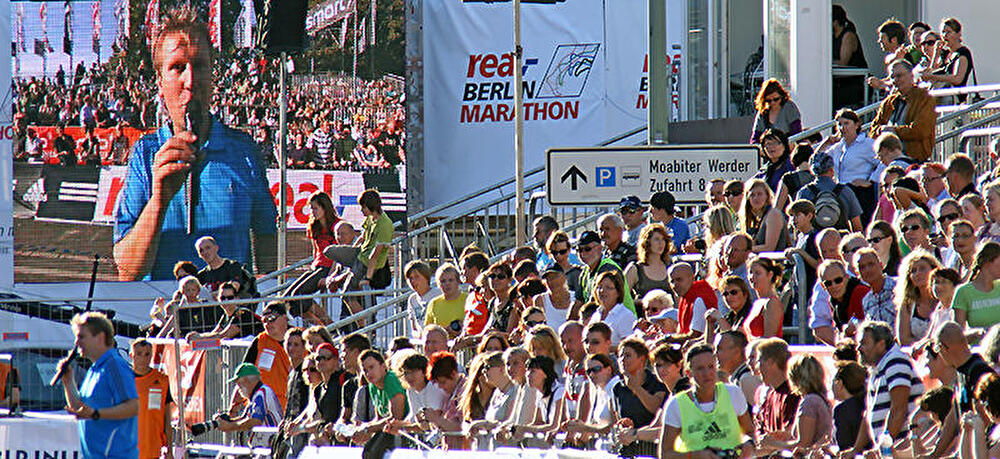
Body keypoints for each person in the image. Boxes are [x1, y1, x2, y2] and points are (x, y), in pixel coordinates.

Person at [114, 9, 277, 281]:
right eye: (177, 67)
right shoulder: (145, 155)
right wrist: (159, 200)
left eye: (199, 66)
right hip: (165, 315)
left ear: (212, 75)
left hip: (229, 315)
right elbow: (128, 272)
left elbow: (266, 239)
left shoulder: (244, 151)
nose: (190, 81)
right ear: (160, 80)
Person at [56, 312, 139, 459]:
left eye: (81, 337)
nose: (76, 342)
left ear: (100, 337)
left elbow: (133, 407)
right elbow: (80, 408)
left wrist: (96, 414)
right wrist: (68, 381)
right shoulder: (95, 369)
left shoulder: (115, 365)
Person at [843, 321, 925, 458]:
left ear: (881, 344)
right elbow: (868, 415)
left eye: (864, 343)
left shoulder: (896, 361)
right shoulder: (876, 370)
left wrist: (883, 447)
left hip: (901, 449)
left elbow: (899, 409)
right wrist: (855, 450)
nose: (858, 349)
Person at [659, 344, 754, 459]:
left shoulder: (733, 393)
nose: (707, 373)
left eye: (710, 367)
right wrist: (696, 455)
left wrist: (748, 444)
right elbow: (665, 454)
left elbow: (749, 432)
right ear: (689, 373)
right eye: (700, 368)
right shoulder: (676, 404)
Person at [323, 189, 394, 316]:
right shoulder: (371, 218)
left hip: (367, 263)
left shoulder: (385, 224)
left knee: (347, 295)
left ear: (370, 206)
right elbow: (362, 237)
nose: (361, 210)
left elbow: (375, 255)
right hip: (360, 255)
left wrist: (367, 278)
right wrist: (351, 252)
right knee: (329, 251)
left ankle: (364, 324)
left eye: (363, 207)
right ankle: (362, 322)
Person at [283, 191, 341, 324]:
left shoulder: (337, 225)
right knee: (288, 297)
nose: (313, 212)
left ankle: (329, 326)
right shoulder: (314, 225)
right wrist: (313, 267)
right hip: (317, 266)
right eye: (311, 208)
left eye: (315, 208)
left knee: (298, 295)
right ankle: (325, 327)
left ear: (325, 208)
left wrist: (331, 275)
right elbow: (316, 249)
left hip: (329, 268)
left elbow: (340, 253)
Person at [818, 108, 881, 227]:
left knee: (861, 225)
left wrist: (871, 180)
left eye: (846, 123)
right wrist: (825, 143)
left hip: (860, 193)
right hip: (841, 192)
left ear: (857, 125)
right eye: (840, 124)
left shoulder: (867, 144)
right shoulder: (837, 147)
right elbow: (816, 162)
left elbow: (883, 162)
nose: (843, 128)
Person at [759, 355, 832, 455]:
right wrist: (787, 436)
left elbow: (803, 446)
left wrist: (773, 444)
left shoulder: (809, 402)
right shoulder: (819, 399)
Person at [869, 59, 938, 162]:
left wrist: (894, 131)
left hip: (914, 160)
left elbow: (920, 131)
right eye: (892, 77)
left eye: (899, 76)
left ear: (911, 75)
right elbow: (873, 129)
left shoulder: (925, 98)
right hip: (887, 160)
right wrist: (881, 130)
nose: (896, 80)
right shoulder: (889, 102)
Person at [612, 337, 667, 457]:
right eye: (620, 356)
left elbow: (655, 407)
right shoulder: (618, 388)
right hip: (629, 448)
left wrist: (636, 388)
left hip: (652, 448)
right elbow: (617, 418)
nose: (622, 360)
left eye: (627, 355)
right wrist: (623, 424)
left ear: (641, 359)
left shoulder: (657, 383)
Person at [239, 302, 292, 410]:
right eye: (264, 320)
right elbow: (243, 373)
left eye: (272, 318)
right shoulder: (259, 341)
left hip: (292, 405)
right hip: (263, 405)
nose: (267, 323)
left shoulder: (301, 338)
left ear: (284, 318)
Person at [216, 363, 283, 447]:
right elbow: (244, 419)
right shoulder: (255, 396)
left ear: (246, 381)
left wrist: (230, 426)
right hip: (264, 449)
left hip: (271, 449)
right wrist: (224, 421)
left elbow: (255, 421)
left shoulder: (261, 393)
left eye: (238, 384)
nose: (238, 389)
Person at [796, 151, 864, 231]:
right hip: (840, 239)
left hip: (813, 240)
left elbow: (798, 225)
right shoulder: (846, 191)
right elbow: (857, 226)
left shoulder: (804, 193)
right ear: (832, 170)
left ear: (813, 172)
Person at [575, 230, 636, 315]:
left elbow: (596, 304)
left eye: (587, 249)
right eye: (579, 250)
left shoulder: (608, 269)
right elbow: (578, 303)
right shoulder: (585, 272)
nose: (583, 253)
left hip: (620, 320)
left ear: (600, 247)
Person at [754, 338, 801, 448]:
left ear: (771, 363)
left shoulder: (793, 396)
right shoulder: (770, 395)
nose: (757, 368)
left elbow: (790, 438)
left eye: (759, 362)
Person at [131, 339, 173, 459]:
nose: (143, 358)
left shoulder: (162, 380)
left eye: (147, 354)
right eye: (139, 354)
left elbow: (167, 418)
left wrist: (169, 449)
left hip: (153, 448)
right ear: (131, 355)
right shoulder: (123, 380)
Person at [921, 18, 975, 103]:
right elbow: (931, 73)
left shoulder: (962, 53)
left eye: (948, 32)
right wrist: (935, 55)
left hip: (954, 100)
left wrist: (933, 77)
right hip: (939, 98)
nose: (945, 35)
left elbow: (957, 78)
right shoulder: (945, 54)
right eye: (943, 32)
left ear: (958, 34)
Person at [185, 282, 261, 341]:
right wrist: (197, 336)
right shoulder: (225, 315)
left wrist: (199, 337)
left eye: (230, 297)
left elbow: (224, 335)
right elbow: (215, 333)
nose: (226, 301)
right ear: (218, 299)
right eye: (223, 298)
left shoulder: (242, 313)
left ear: (236, 298)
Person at [895, 250, 941, 346]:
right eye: (913, 271)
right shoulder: (907, 305)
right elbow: (903, 339)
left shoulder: (945, 298)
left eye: (922, 268)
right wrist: (923, 347)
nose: (918, 273)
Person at [666, 262, 717, 344]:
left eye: (679, 280)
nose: (675, 285)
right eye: (672, 281)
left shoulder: (699, 299)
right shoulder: (686, 296)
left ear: (692, 278)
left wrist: (667, 339)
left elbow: (695, 335)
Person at [952, 241, 1000, 328]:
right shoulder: (963, 292)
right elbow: (958, 333)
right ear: (987, 263)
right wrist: (977, 334)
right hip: (977, 341)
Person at [623, 223, 672, 302]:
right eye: (656, 239)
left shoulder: (670, 266)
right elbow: (622, 298)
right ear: (646, 242)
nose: (661, 243)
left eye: (663, 239)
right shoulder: (635, 269)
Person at [831, 5, 868, 108]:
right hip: (839, 83)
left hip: (854, 84)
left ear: (835, 21)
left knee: (831, 96)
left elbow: (843, 63)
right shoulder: (832, 37)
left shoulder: (848, 36)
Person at [588, 271, 636, 347]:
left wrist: (604, 348)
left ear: (618, 292)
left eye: (609, 288)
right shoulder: (596, 315)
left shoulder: (625, 315)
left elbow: (629, 347)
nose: (602, 291)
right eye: (599, 287)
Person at [741, 178, 790, 252]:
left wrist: (743, 250)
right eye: (752, 195)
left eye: (759, 194)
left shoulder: (773, 214)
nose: (756, 198)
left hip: (775, 261)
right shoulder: (758, 218)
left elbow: (769, 247)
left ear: (767, 196)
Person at [743, 256, 785, 339]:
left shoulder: (772, 303)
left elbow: (769, 339)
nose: (752, 277)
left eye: (758, 273)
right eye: (750, 272)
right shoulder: (757, 303)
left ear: (770, 275)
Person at [750, 80, 802, 144]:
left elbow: (797, 132)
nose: (772, 103)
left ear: (782, 96)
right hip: (767, 149)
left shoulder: (789, 107)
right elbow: (755, 137)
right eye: (769, 101)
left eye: (776, 99)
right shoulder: (762, 112)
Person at [831, 360, 867, 452]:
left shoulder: (842, 410)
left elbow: (844, 446)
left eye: (833, 380)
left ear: (840, 383)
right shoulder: (867, 403)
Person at [424, 264, 468, 336]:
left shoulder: (468, 300)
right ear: (439, 284)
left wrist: (461, 330)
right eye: (443, 281)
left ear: (458, 281)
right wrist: (444, 331)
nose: (447, 284)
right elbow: (427, 330)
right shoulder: (434, 303)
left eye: (451, 280)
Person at [404, 260, 442, 335]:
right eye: (410, 278)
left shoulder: (438, 294)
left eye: (416, 277)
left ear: (426, 277)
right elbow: (414, 327)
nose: (413, 281)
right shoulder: (412, 299)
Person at [754, 129, 796, 194]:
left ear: (784, 145)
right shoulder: (763, 170)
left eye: (775, 143)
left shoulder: (792, 167)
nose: (771, 147)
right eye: (767, 144)